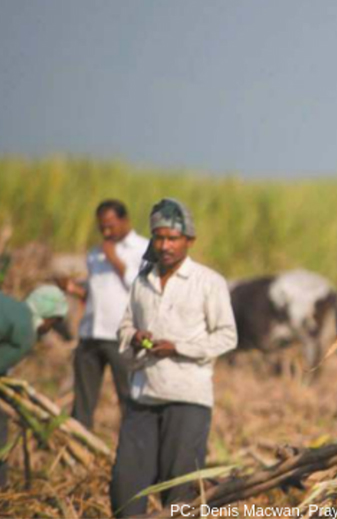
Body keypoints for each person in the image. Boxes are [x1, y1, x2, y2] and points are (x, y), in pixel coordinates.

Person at [109, 198, 237, 517]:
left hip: (187, 398)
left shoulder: (209, 282)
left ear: (189, 241)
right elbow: (125, 325)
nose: (165, 245)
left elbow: (227, 336)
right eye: (159, 237)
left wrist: (177, 348)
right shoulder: (142, 281)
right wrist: (135, 337)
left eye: (173, 238)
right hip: (143, 396)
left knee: (179, 488)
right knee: (125, 482)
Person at [62, 200, 148, 430]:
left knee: (128, 396)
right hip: (91, 334)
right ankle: (78, 444)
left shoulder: (143, 249)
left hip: (121, 335)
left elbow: (143, 288)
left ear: (125, 220)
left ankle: (133, 450)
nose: (106, 232)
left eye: (111, 225)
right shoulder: (95, 254)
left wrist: (115, 260)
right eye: (102, 227)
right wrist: (74, 290)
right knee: (82, 401)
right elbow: (97, 293)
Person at [0, 285, 69, 487]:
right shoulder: (26, 331)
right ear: (48, 317)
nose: (50, 328)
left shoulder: (15, 308)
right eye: (54, 322)